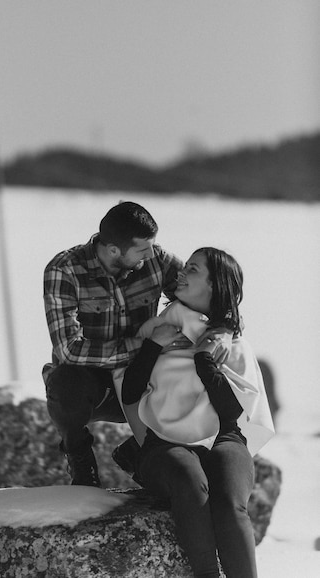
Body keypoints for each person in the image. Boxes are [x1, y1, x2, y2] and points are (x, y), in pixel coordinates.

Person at [118, 247, 274, 578]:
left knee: (231, 505)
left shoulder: (231, 344)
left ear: (215, 285)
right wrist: (154, 345)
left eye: (193, 269)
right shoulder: (158, 329)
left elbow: (234, 413)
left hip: (225, 437)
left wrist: (204, 361)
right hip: (163, 444)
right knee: (191, 483)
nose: (182, 274)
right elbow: (131, 392)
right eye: (184, 267)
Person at [43, 201, 186, 487]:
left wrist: (226, 316)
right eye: (142, 250)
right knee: (63, 384)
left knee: (204, 368)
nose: (151, 254)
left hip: (145, 377)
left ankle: (140, 454)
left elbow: (197, 291)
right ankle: (81, 462)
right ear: (113, 251)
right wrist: (145, 344)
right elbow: (69, 349)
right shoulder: (64, 270)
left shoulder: (157, 258)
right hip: (95, 386)